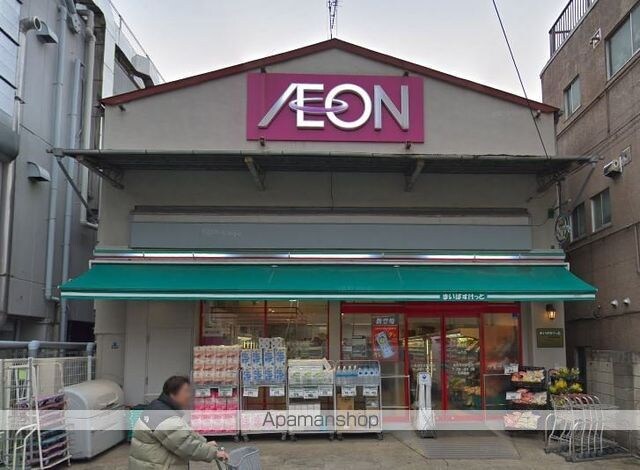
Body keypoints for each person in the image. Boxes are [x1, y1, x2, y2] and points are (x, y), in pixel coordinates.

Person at [129, 376, 229, 469]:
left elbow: (183, 433)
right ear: (173, 393)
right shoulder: (165, 417)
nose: (189, 395)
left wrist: (204, 442)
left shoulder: (159, 407)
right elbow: (186, 445)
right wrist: (214, 453)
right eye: (186, 391)